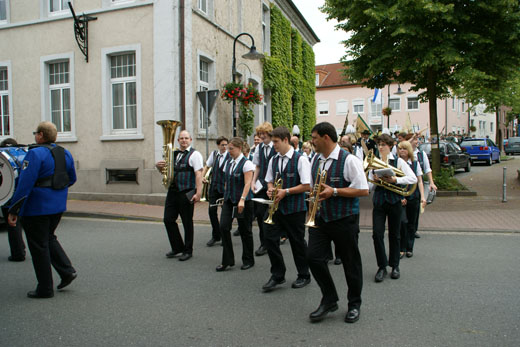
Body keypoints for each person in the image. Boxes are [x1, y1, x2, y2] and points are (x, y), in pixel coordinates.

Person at [306, 122, 369, 324]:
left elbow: (362, 190)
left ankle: (354, 304)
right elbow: (313, 189)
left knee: (350, 263)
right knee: (313, 258)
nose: (312, 141)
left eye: (314, 137)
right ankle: (330, 298)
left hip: (344, 219)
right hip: (321, 218)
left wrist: (334, 191)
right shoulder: (315, 159)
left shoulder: (349, 160)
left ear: (326, 137)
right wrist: (311, 212)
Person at [8, 121, 77, 298]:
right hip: (58, 206)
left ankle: (45, 288)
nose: (35, 136)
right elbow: (71, 178)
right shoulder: (65, 153)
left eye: (36, 133)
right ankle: (67, 271)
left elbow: (25, 184)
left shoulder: (35, 154)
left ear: (41, 135)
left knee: (38, 246)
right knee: (48, 237)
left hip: (37, 208)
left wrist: (14, 209)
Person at [261, 127, 311, 292]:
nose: (273, 144)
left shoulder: (300, 159)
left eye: (275, 141)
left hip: (295, 209)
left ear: (285, 140)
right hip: (276, 208)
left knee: (297, 243)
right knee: (269, 238)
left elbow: (306, 185)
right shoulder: (273, 159)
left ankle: (304, 274)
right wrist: (270, 189)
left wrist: (286, 191)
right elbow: (268, 180)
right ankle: (278, 274)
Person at [369, 134, 417, 283]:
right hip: (379, 202)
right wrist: (374, 180)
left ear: (390, 146)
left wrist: (396, 179)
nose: (380, 147)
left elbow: (413, 178)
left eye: (383, 144)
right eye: (379, 144)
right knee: (377, 234)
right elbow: (370, 187)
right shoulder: (375, 163)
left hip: (394, 201)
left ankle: (395, 265)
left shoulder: (399, 162)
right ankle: (382, 266)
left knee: (395, 235)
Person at [156, 130, 203, 261]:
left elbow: (199, 174)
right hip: (173, 191)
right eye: (181, 138)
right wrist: (159, 167)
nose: (184, 140)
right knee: (168, 219)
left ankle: (188, 250)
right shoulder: (173, 154)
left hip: (186, 192)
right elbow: (167, 172)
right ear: (178, 140)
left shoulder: (195, 154)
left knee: (187, 222)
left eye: (186, 138)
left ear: (191, 140)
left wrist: (199, 193)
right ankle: (177, 247)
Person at [216, 137, 255, 272]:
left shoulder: (247, 163)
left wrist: (242, 199)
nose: (229, 151)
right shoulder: (228, 163)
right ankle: (227, 260)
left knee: (245, 231)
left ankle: (248, 259)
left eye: (231, 149)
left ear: (239, 148)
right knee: (224, 227)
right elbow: (227, 181)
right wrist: (225, 195)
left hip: (243, 201)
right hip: (229, 199)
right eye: (228, 148)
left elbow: (247, 183)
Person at [397, 141, 426, 259]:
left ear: (409, 150)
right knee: (402, 222)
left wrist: (423, 197)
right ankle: (401, 248)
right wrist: (400, 197)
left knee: (411, 223)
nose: (402, 151)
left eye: (404, 149)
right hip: (401, 196)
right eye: (400, 149)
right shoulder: (396, 163)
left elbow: (419, 180)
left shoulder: (415, 163)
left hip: (414, 196)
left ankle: (409, 248)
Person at [251, 122, 275, 256]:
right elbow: (257, 167)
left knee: (273, 214)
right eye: (260, 134)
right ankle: (263, 243)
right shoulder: (259, 148)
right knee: (260, 214)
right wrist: (253, 182)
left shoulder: (276, 147)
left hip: (273, 185)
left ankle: (273, 240)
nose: (261, 137)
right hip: (262, 184)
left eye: (263, 134)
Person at [1, 138, 26, 262]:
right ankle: (23, 248)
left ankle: (18, 253)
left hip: (8, 197)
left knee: (13, 225)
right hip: (24, 195)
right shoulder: (23, 154)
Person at [203, 136, 229, 247]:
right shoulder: (214, 154)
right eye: (222, 145)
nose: (224, 147)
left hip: (224, 188)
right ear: (218, 145)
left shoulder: (230, 155)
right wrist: (203, 176)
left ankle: (224, 236)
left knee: (225, 213)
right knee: (212, 211)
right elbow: (207, 166)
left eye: (226, 145)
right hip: (214, 187)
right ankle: (216, 235)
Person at [409, 133, 437, 239]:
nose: (417, 142)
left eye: (417, 140)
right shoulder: (402, 152)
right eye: (415, 140)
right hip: (405, 185)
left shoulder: (421, 154)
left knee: (416, 208)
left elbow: (427, 169)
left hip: (417, 184)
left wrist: (431, 182)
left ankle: (413, 229)